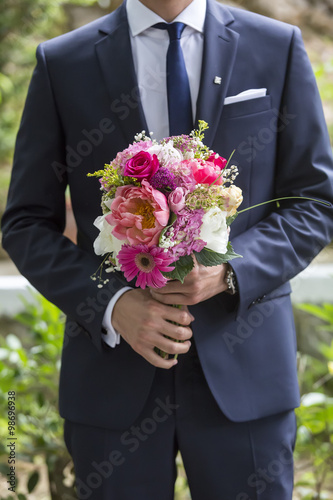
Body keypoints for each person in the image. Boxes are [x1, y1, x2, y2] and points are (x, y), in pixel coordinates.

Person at [2, 0, 333, 498]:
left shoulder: (276, 46)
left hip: (247, 373)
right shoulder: (62, 61)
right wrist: (114, 305)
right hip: (111, 381)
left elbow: (316, 203)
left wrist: (229, 272)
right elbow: (26, 224)